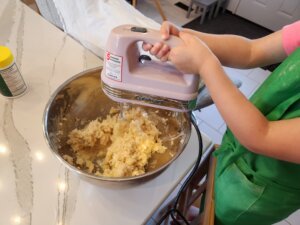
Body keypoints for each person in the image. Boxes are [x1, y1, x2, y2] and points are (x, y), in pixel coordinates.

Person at [143, 21, 300, 225]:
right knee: (210, 197)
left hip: (261, 192)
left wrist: (205, 64)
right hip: (237, 146)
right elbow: (251, 50)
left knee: (218, 218)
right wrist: (186, 38)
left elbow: (262, 135)